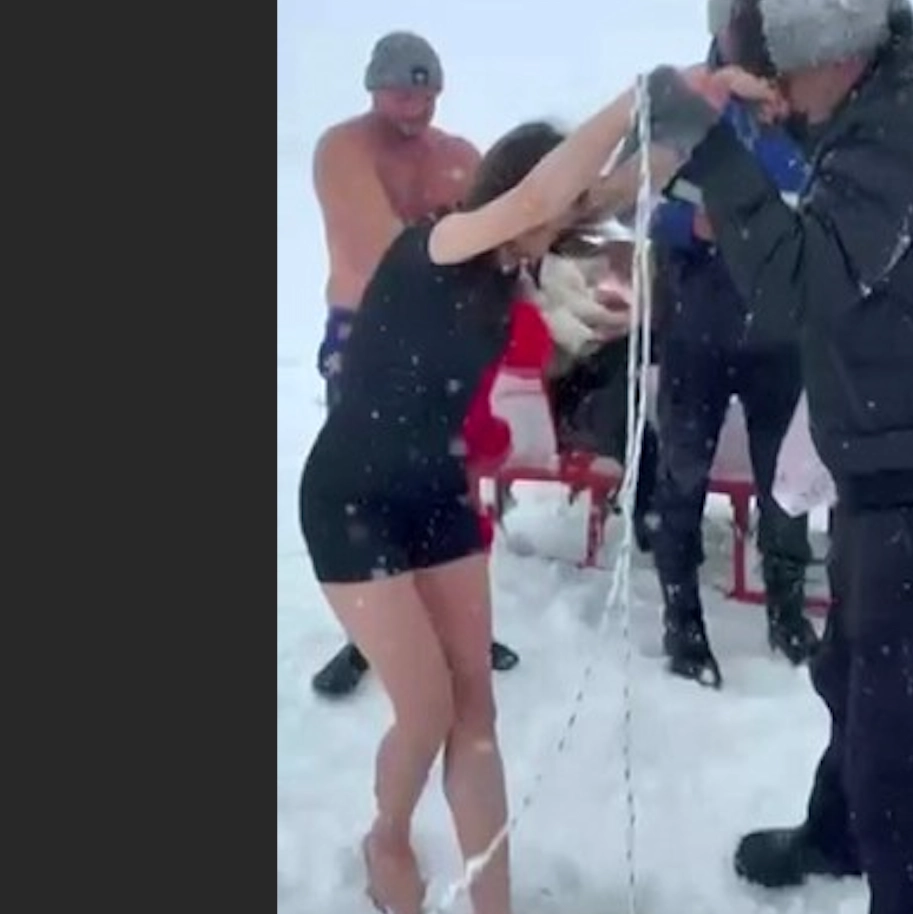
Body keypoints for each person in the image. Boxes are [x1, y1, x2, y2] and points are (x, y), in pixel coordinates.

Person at [637, 2, 913, 912]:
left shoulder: (909, 122)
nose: (775, 97)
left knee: (901, 764)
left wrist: (711, 149)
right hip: (886, 476)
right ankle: (836, 836)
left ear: (826, 46)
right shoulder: (877, 109)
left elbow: (797, 285)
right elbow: (826, 211)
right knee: (848, 681)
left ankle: (882, 856)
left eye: (776, 76)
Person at [297, 66, 658, 907]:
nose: (559, 235)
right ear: (518, 193)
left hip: (435, 495)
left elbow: (597, 194)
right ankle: (386, 839)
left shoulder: (510, 273)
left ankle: (493, 901)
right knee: (425, 710)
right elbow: (545, 196)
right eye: (551, 215)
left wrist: (699, 104)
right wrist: (637, 95)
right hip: (350, 497)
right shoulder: (436, 245)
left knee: (475, 714)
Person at [308, 30, 517, 698]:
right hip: (364, 333)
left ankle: (461, 622)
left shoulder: (459, 155)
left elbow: (499, 230)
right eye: (401, 93)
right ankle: (369, 635)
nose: (415, 106)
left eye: (426, 94)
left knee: (446, 481)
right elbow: (385, 248)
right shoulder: (344, 148)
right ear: (374, 88)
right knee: (369, 486)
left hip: (444, 340)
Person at [647, 32, 818, 689]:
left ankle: (787, 612)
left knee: (787, 483)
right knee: (683, 476)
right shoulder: (686, 127)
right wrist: (689, 226)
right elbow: (635, 211)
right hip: (697, 338)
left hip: (781, 342)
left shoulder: (804, 134)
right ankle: (682, 620)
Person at [533, 254, 661, 550]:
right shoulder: (520, 282)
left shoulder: (547, 267)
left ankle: (651, 511)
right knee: (623, 412)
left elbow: (577, 308)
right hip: (565, 391)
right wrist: (611, 325)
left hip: (581, 372)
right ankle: (650, 515)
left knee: (644, 349)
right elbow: (563, 322)